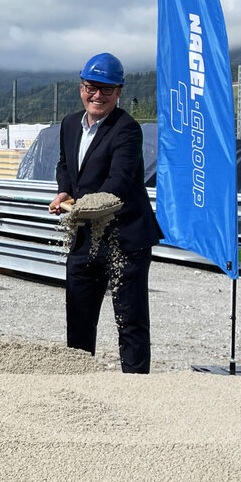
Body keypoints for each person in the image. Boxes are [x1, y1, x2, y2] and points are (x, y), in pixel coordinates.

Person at [48, 53, 161, 373]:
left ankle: (135, 384)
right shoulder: (70, 124)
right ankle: (80, 378)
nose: (97, 95)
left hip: (124, 237)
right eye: (90, 87)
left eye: (106, 90)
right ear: (81, 86)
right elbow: (65, 166)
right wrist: (64, 191)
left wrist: (77, 208)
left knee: (130, 318)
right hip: (86, 236)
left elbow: (119, 182)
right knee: (79, 316)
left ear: (119, 91)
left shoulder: (127, 129)